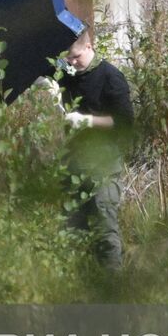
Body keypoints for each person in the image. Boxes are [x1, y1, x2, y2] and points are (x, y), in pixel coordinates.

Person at [57, 29, 133, 267]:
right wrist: (47, 83)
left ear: (89, 47)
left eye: (76, 57)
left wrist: (87, 121)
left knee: (104, 230)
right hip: (74, 164)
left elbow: (124, 122)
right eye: (68, 58)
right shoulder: (69, 72)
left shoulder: (111, 77)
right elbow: (45, 68)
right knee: (71, 231)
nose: (72, 62)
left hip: (104, 166)